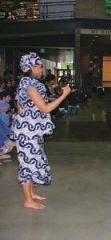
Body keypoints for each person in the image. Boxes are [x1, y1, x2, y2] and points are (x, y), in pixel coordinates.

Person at [11, 52, 71, 209]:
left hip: (30, 130)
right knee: (27, 164)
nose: (41, 69)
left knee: (30, 162)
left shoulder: (27, 82)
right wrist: (64, 96)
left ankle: (30, 194)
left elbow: (23, 107)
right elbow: (45, 109)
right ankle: (27, 201)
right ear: (30, 68)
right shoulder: (29, 86)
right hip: (27, 132)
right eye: (38, 66)